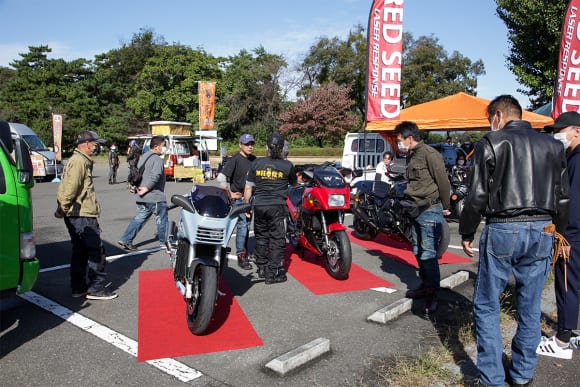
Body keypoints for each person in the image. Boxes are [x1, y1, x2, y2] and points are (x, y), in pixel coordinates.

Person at [459, 95, 569, 386]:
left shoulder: (492, 142)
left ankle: (493, 379)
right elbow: (563, 196)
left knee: (486, 304)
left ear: (498, 115)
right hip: (544, 227)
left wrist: (467, 231)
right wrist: (559, 230)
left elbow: (477, 195)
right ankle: (522, 375)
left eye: (489, 119)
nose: (489, 125)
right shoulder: (554, 146)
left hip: (504, 227)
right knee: (530, 306)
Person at [395, 122, 451, 314]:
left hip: (429, 208)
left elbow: (443, 181)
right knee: (418, 249)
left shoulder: (429, 154)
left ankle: (432, 293)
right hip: (415, 208)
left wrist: (446, 206)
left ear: (409, 138)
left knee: (428, 252)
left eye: (400, 140)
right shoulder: (411, 154)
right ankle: (424, 285)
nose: (398, 144)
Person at [55, 130, 118, 300]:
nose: (97, 147)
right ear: (87, 144)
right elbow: (71, 188)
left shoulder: (78, 160)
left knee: (80, 251)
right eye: (95, 144)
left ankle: (79, 287)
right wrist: (63, 207)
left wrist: (63, 208)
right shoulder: (79, 161)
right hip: (81, 213)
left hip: (77, 212)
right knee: (95, 250)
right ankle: (95, 287)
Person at [537, 111, 580, 360]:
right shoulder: (572, 157)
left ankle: (562, 340)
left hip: (572, 235)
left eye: (561, 130)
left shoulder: (576, 160)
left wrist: (564, 238)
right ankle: (570, 331)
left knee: (567, 286)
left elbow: (573, 205)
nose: (557, 135)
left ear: (576, 130)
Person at [244, 132, 297, 284]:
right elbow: (294, 185)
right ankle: (272, 273)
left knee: (261, 237)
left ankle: (261, 268)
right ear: (281, 149)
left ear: (266, 147)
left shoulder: (256, 164)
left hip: (259, 205)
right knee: (277, 239)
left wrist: (248, 206)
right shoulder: (287, 165)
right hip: (277, 206)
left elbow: (248, 188)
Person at [118, 136, 168, 251]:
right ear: (156, 147)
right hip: (154, 195)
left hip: (141, 195)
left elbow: (137, 173)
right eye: (163, 145)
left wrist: (134, 186)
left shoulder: (144, 157)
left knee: (140, 217)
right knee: (161, 219)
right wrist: (147, 187)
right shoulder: (157, 160)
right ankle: (164, 242)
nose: (164, 148)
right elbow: (156, 176)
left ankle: (126, 239)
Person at [216, 133, 256, 270]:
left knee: (245, 225)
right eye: (247, 144)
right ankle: (241, 255)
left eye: (252, 144)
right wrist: (229, 194)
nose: (250, 146)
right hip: (238, 200)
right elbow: (221, 178)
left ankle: (244, 252)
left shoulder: (255, 160)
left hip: (250, 198)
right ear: (240, 145)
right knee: (242, 226)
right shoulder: (235, 159)